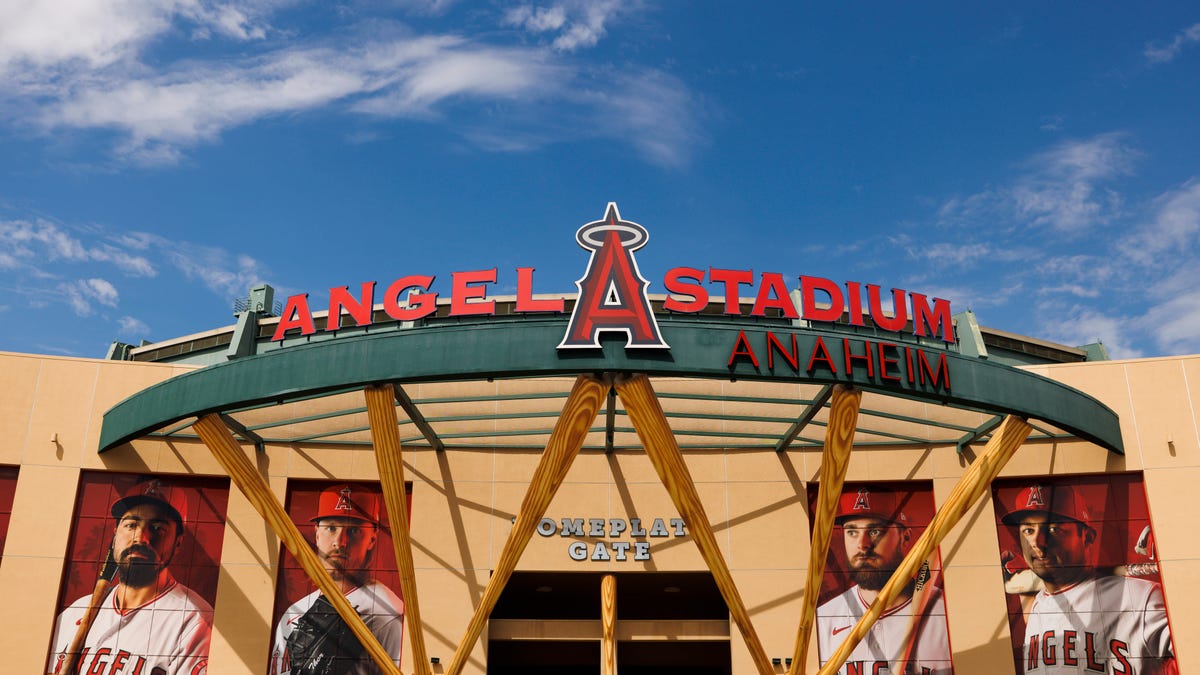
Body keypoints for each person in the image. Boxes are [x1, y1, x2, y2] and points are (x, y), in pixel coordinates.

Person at [1002, 483, 1175, 674]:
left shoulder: (1141, 597)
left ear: (1088, 536)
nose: (1037, 542)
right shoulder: (1038, 606)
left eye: (1052, 529)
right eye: (1028, 530)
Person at [49, 479, 213, 675]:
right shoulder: (75, 613)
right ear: (115, 534)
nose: (141, 537)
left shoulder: (195, 621)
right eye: (131, 524)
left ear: (178, 543)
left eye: (157, 528)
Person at [269, 483, 404, 675]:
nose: (340, 542)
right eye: (331, 528)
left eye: (353, 531)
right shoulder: (294, 613)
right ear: (316, 533)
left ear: (372, 538)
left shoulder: (387, 612)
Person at [816, 487, 952, 675]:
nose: (863, 544)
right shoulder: (823, 619)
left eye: (875, 531)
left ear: (905, 537)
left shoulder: (946, 615)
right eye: (852, 532)